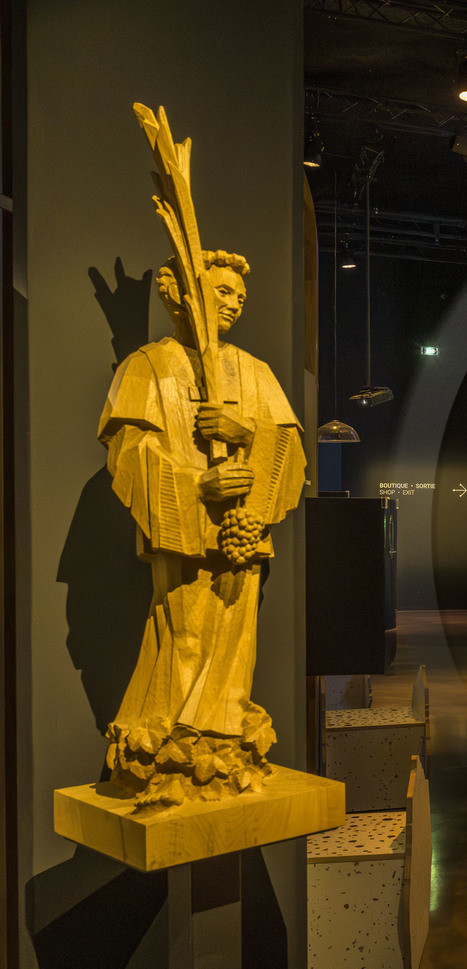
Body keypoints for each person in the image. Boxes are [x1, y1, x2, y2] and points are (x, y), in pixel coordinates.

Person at [98, 250, 306, 806]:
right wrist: (196, 486)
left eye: (240, 295)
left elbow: (288, 449)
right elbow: (128, 451)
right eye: (221, 292)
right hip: (185, 537)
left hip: (241, 539)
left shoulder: (255, 371)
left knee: (237, 644)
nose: (235, 303)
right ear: (184, 296)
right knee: (184, 637)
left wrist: (245, 433)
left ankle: (223, 736)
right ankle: (173, 743)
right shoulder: (146, 367)